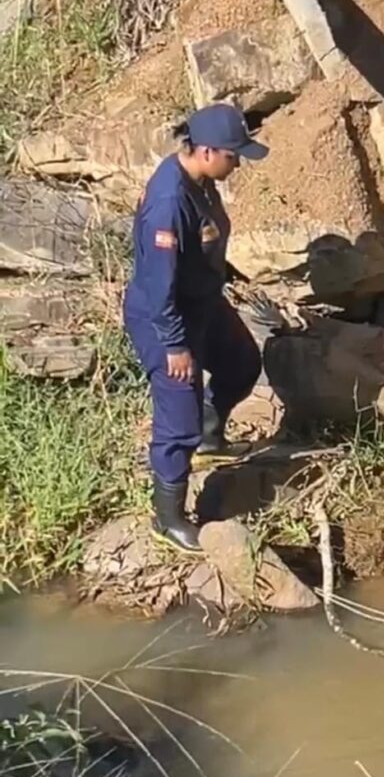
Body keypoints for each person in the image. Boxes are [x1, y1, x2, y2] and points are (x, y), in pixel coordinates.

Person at [124, 104, 268, 553]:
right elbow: (157, 283)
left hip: (201, 304)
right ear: (206, 151)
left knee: (242, 363)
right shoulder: (169, 204)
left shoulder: (202, 182)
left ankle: (209, 436)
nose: (238, 162)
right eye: (232, 155)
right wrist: (174, 346)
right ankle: (167, 518)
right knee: (176, 422)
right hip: (165, 317)